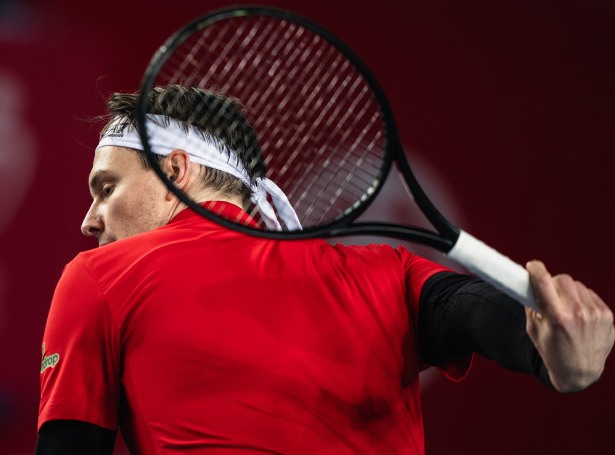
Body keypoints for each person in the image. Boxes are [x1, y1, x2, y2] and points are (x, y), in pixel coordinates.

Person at [36, 85, 614, 454]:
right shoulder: (389, 271)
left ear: (175, 173)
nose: (90, 220)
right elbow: (480, 315)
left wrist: (550, 352)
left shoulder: (99, 277)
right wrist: (556, 353)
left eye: (106, 188)